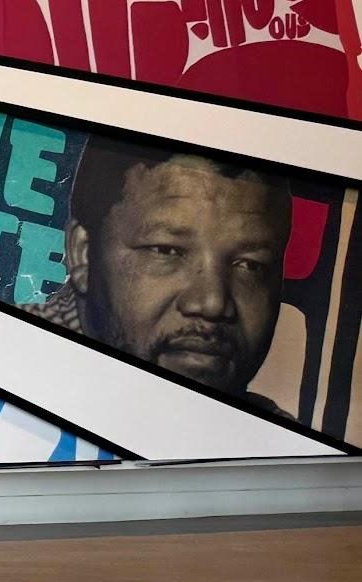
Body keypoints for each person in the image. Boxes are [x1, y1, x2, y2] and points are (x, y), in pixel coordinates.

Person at [28, 137, 292, 411]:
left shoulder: (277, 435)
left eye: (250, 265)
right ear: (82, 254)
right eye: (166, 251)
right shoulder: (7, 352)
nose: (213, 302)